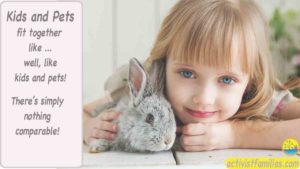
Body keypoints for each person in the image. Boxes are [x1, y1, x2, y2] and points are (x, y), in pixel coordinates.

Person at [83, 0, 300, 151]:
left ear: (251, 80)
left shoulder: (257, 98)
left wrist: (237, 135)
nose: (204, 98)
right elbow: (79, 114)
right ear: (164, 64)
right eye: (187, 73)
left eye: (227, 79)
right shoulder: (151, 89)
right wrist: (88, 128)